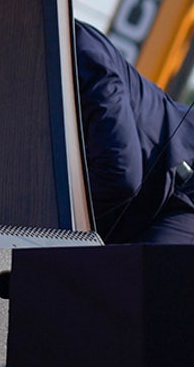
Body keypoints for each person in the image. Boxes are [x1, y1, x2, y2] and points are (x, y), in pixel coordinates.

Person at [75, 20, 194, 243]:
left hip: (179, 180)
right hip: (144, 200)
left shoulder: (83, 54)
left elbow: (119, 175)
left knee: (145, 271)